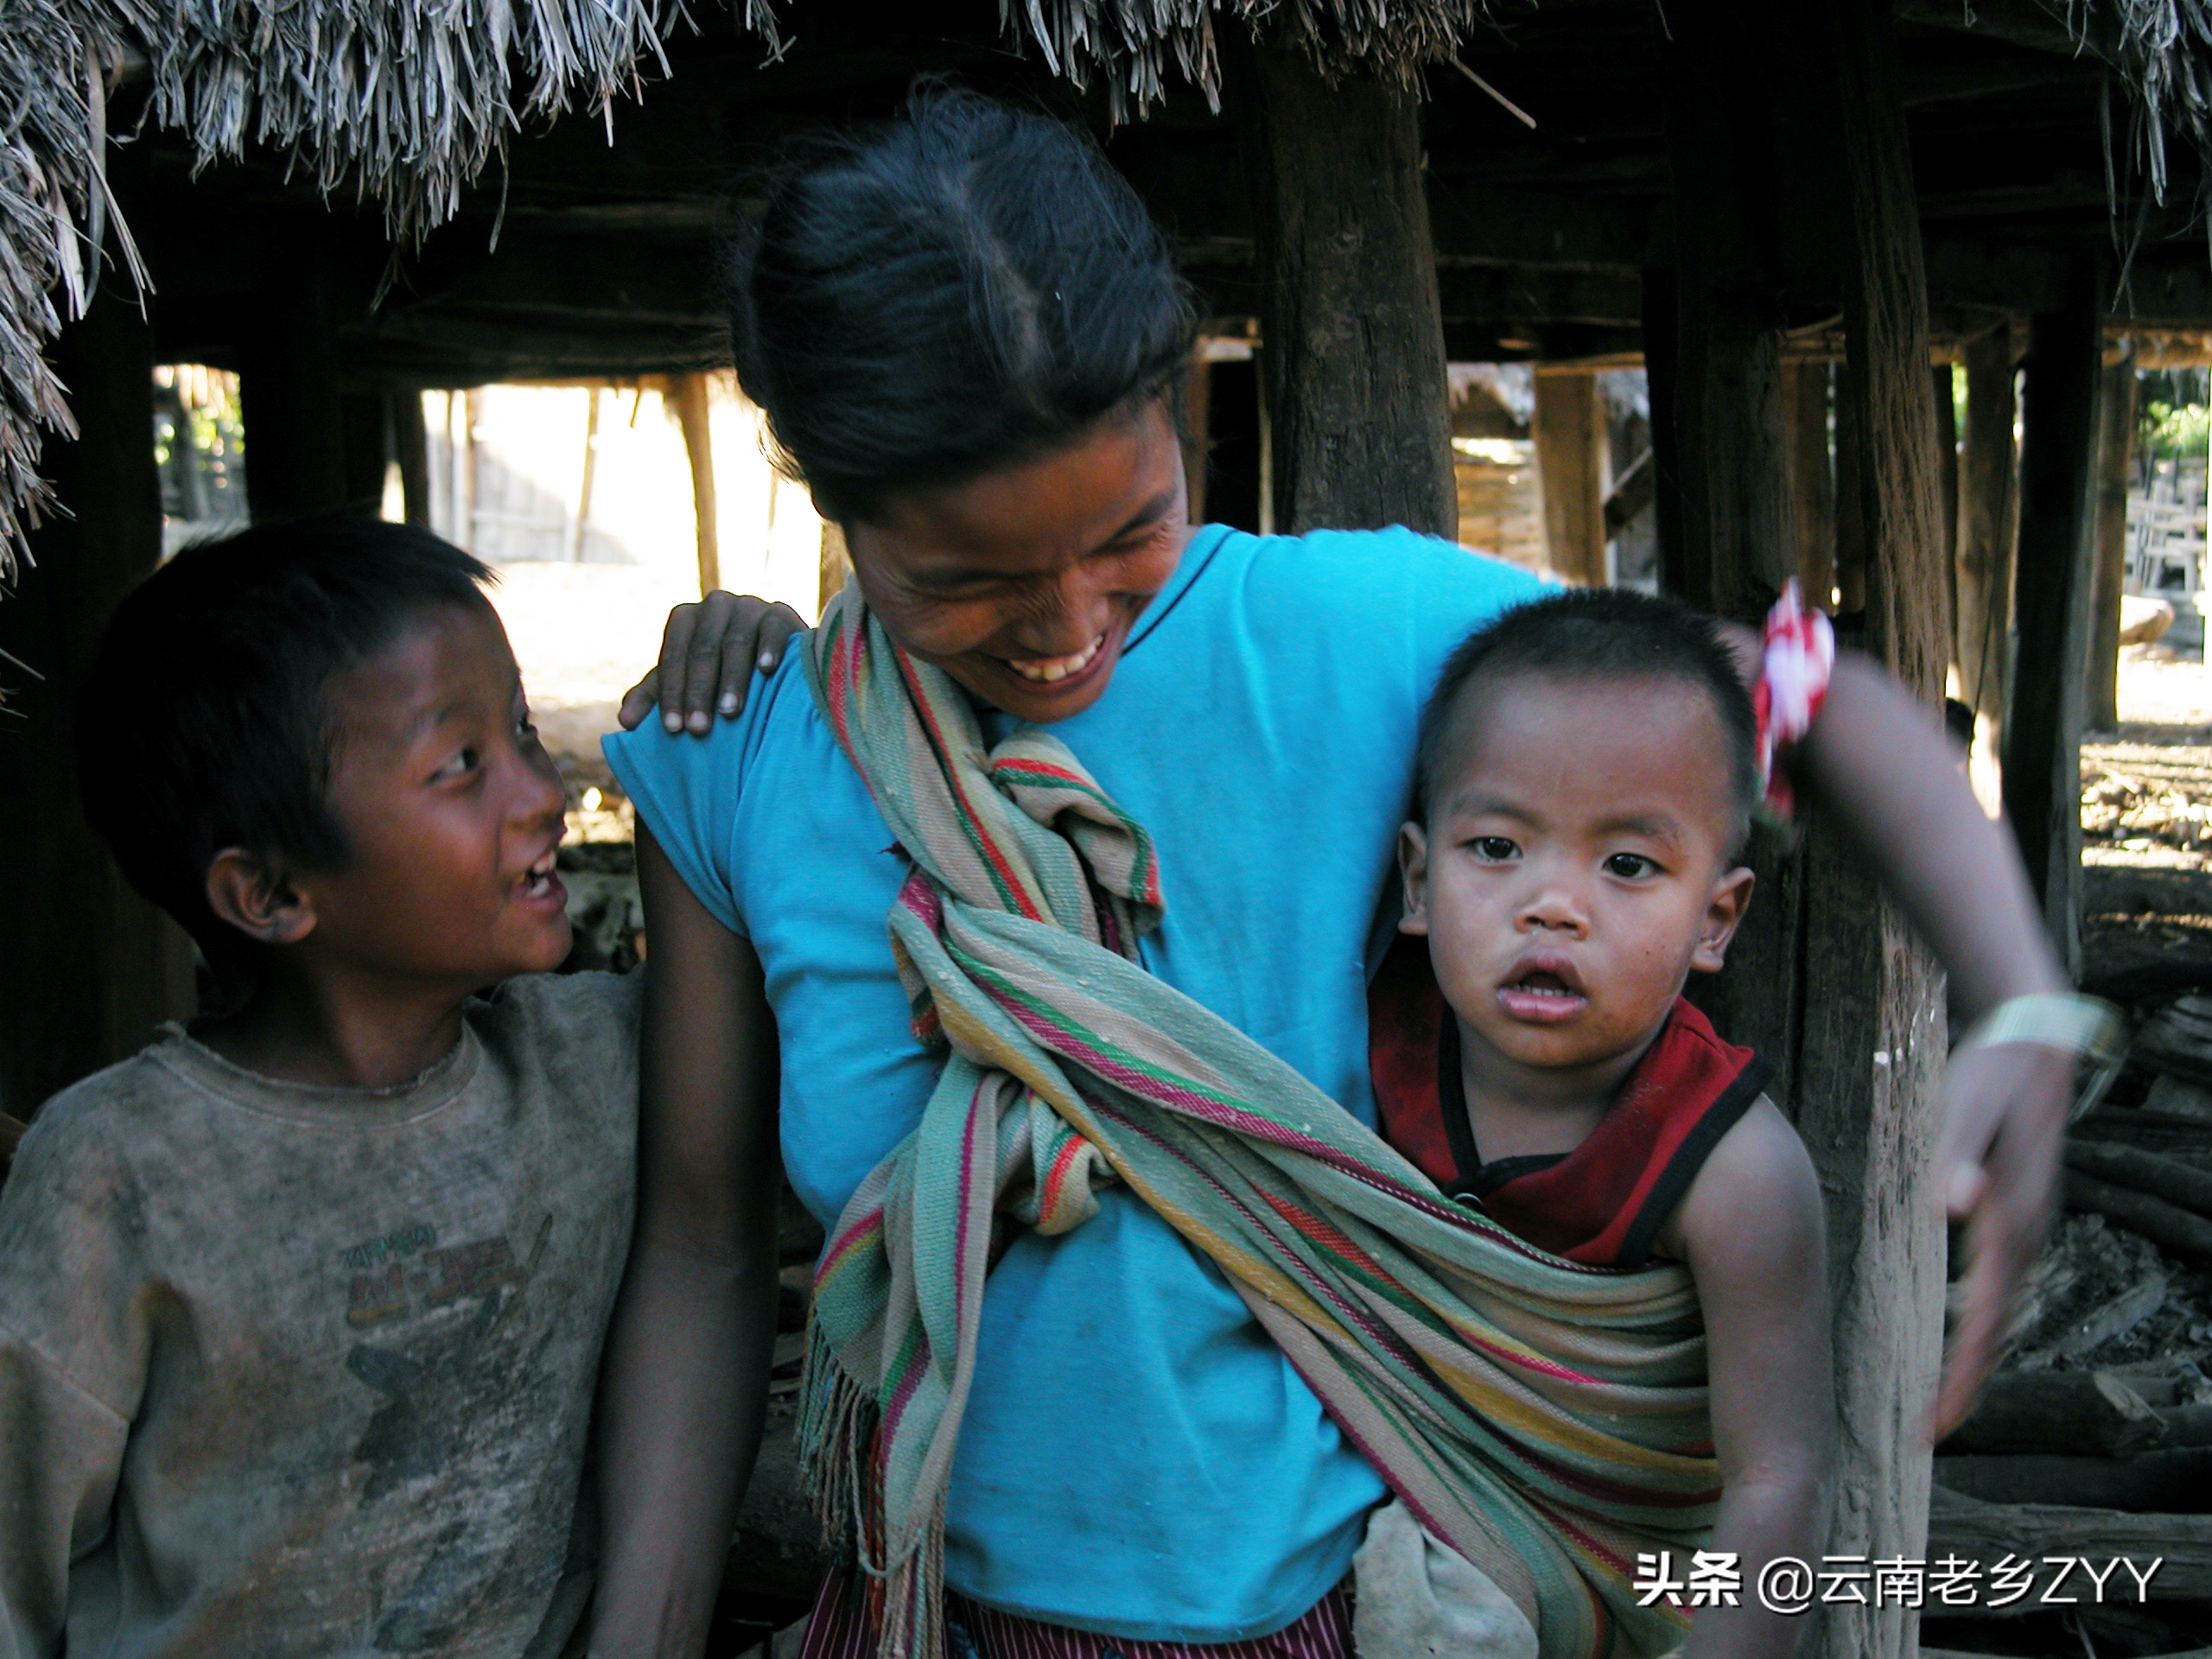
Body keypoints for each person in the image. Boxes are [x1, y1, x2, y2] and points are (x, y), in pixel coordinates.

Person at [593, 88, 2083, 1659]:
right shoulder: (743, 760)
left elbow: (1810, 696)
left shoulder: (1353, 643)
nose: (1064, 628)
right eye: (958, 583)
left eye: (1129, 532)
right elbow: (698, 1246)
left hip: (1327, 1618)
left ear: (1183, 409)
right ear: (828, 494)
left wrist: (2026, 1003)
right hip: (916, 1619)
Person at [0, 516, 639, 1659]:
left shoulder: (590, 1068)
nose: (543, 792)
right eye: (461, 765)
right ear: (271, 894)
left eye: (527, 732)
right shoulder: (121, 1170)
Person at [1370, 588, 1831, 1659]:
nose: (1552, 904)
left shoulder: (1732, 1169)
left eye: (1627, 865)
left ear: (1715, 920)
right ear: (1415, 879)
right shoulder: (1361, 1053)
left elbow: (1778, 1482)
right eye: (1495, 847)